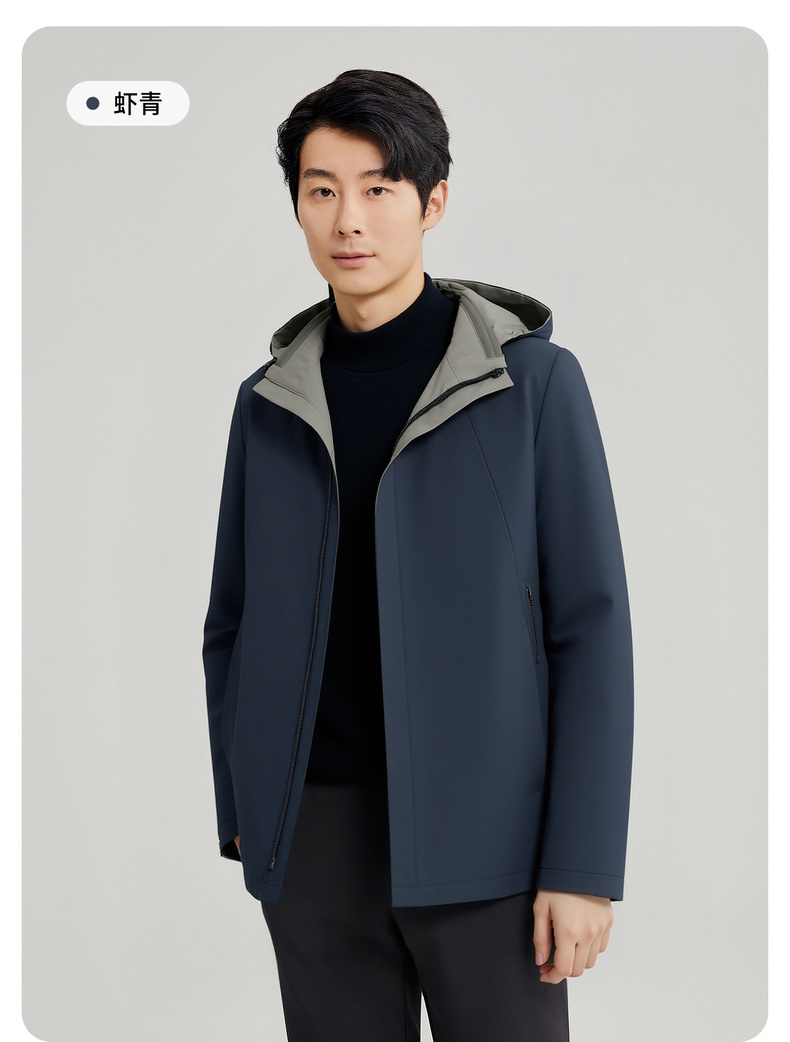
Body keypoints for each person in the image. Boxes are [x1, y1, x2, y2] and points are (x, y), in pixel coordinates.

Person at [203, 68, 634, 1042]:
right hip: (312, 837)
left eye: (378, 187)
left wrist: (581, 865)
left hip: (489, 838)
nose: (348, 219)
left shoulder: (531, 385)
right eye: (321, 190)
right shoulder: (268, 402)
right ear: (298, 205)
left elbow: (590, 629)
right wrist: (247, 801)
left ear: (433, 202)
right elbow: (232, 622)